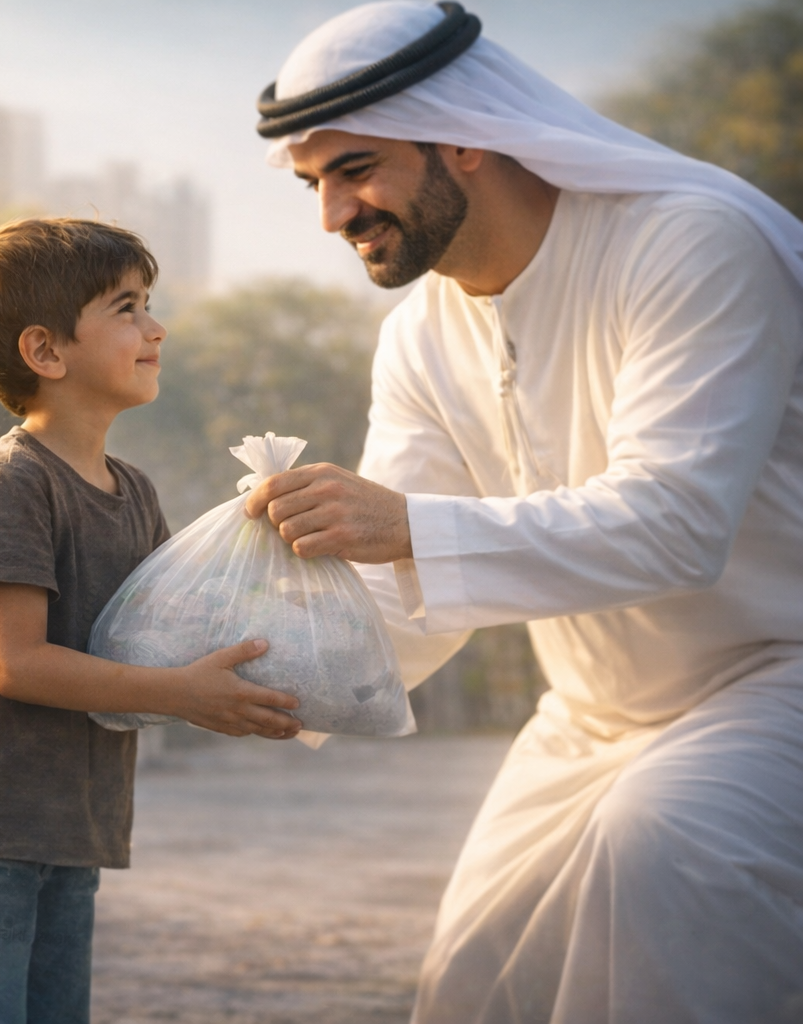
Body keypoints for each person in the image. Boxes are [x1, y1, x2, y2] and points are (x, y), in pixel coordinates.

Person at [244, 2, 803, 1020]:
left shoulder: (694, 243)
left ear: (464, 135)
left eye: (356, 169)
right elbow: (405, 596)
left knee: (664, 853)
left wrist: (403, 523)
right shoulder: (420, 334)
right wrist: (249, 660)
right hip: (589, 718)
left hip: (777, 681)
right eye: (314, 184)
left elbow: (675, 524)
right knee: (476, 974)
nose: (333, 215)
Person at [0, 218, 302, 1022]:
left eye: (150, 306)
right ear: (46, 351)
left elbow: (185, 620)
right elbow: (20, 665)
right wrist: (181, 695)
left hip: (69, 827)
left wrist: (272, 549)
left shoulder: (132, 491)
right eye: (128, 308)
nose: (156, 327)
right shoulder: (13, 483)